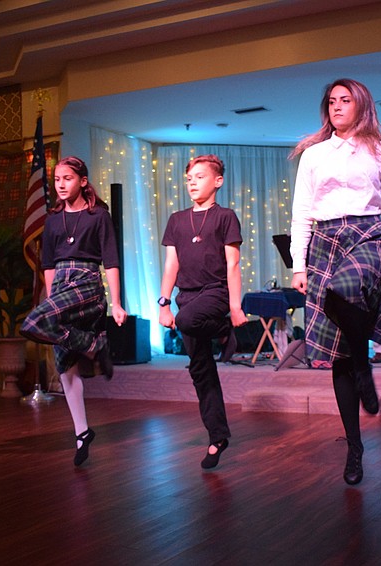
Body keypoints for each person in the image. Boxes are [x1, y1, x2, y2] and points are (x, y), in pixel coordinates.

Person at [289, 78, 381, 485]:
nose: (337, 107)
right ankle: (355, 449)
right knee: (338, 356)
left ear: (361, 105)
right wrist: (298, 264)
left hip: (370, 235)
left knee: (344, 286)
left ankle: (364, 363)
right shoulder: (313, 154)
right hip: (324, 241)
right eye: (331, 101)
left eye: (345, 100)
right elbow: (301, 213)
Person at [20, 156, 126, 467]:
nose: (61, 184)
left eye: (67, 178)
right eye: (57, 180)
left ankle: (95, 345)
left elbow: (111, 261)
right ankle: (82, 432)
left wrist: (117, 303)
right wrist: (53, 300)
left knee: (31, 322)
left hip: (87, 282)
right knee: (64, 364)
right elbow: (48, 265)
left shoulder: (98, 216)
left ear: (82, 180)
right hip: (62, 287)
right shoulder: (52, 221)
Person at [159, 154, 246, 469]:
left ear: (217, 181)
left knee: (187, 321)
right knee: (201, 370)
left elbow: (233, 264)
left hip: (215, 294)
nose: (192, 182)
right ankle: (217, 437)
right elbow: (172, 264)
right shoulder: (177, 220)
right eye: (189, 178)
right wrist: (164, 301)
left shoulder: (225, 217)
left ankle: (224, 330)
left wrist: (234, 307)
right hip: (187, 296)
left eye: (199, 176)